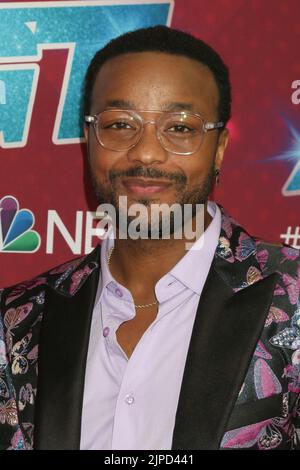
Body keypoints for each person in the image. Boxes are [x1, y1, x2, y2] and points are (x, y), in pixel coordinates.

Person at [0, 25, 299, 451]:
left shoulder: (293, 297)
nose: (145, 152)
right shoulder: (16, 319)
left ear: (218, 148)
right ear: (88, 141)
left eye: (179, 128)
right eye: (121, 124)